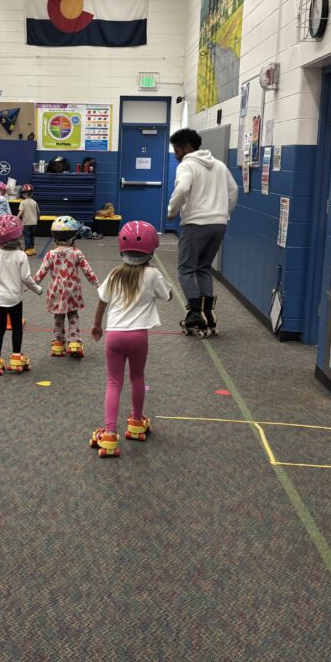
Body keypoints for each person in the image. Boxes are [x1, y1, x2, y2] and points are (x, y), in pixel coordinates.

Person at [89, 221, 172, 458]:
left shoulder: (115, 274)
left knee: (114, 383)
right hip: (138, 337)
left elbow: (101, 303)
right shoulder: (153, 274)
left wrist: (96, 326)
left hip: (114, 336)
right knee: (137, 377)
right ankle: (136, 422)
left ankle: (109, 434)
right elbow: (168, 296)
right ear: (151, 250)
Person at [166, 128, 238, 337]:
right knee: (204, 268)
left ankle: (196, 314)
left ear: (187, 147)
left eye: (177, 150)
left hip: (195, 224)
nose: (176, 154)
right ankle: (209, 313)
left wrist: (172, 211)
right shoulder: (219, 165)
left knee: (186, 270)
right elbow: (233, 190)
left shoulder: (187, 165)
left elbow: (182, 189)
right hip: (219, 224)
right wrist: (224, 213)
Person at [0, 214, 43, 376]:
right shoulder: (20, 256)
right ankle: (16, 357)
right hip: (15, 299)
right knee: (16, 328)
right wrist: (38, 289)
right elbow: (26, 278)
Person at [33, 216, 100, 359]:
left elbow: (42, 271)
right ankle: (74, 342)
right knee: (73, 315)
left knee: (58, 316)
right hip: (72, 291)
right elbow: (87, 270)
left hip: (56, 290)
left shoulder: (50, 254)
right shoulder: (77, 253)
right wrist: (97, 283)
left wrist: (33, 284)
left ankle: (58, 343)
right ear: (73, 236)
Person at [17, 183, 39, 255]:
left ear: (23, 194)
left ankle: (27, 249)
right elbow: (38, 212)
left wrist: (16, 218)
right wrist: (37, 218)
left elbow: (21, 211)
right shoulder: (34, 202)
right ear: (32, 194)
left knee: (27, 236)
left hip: (26, 223)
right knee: (32, 236)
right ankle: (32, 248)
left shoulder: (23, 202)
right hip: (34, 223)